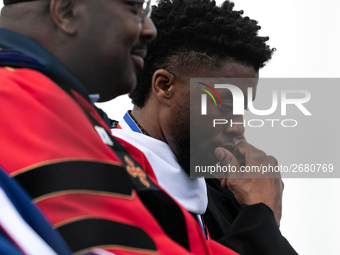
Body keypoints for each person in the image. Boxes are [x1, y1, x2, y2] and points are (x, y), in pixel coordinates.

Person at [0, 0, 238, 254]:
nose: (149, 29)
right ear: (67, 12)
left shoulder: (75, 112)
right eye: (135, 9)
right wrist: (263, 213)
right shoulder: (18, 100)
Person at [112, 0, 298, 254]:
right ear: (164, 86)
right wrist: (262, 216)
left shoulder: (228, 193)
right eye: (225, 106)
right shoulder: (104, 168)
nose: (238, 127)